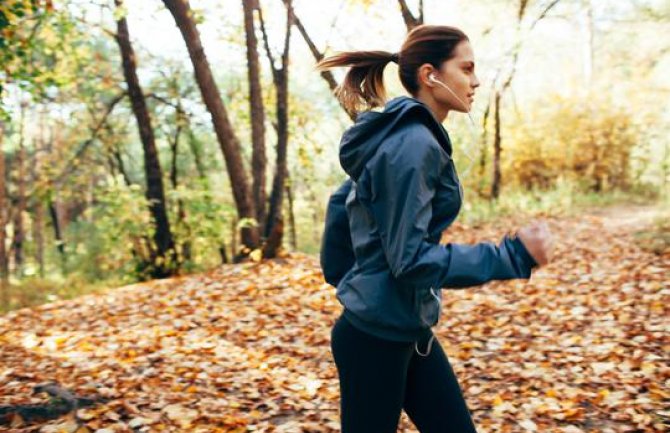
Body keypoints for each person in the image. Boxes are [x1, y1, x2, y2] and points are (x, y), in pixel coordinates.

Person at [317, 24, 555, 433]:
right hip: (376, 338)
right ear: (431, 75)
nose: (475, 80)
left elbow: (343, 203)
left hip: (403, 326)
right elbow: (409, 260)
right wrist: (512, 256)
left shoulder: (398, 136)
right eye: (466, 68)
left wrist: (352, 280)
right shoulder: (413, 145)